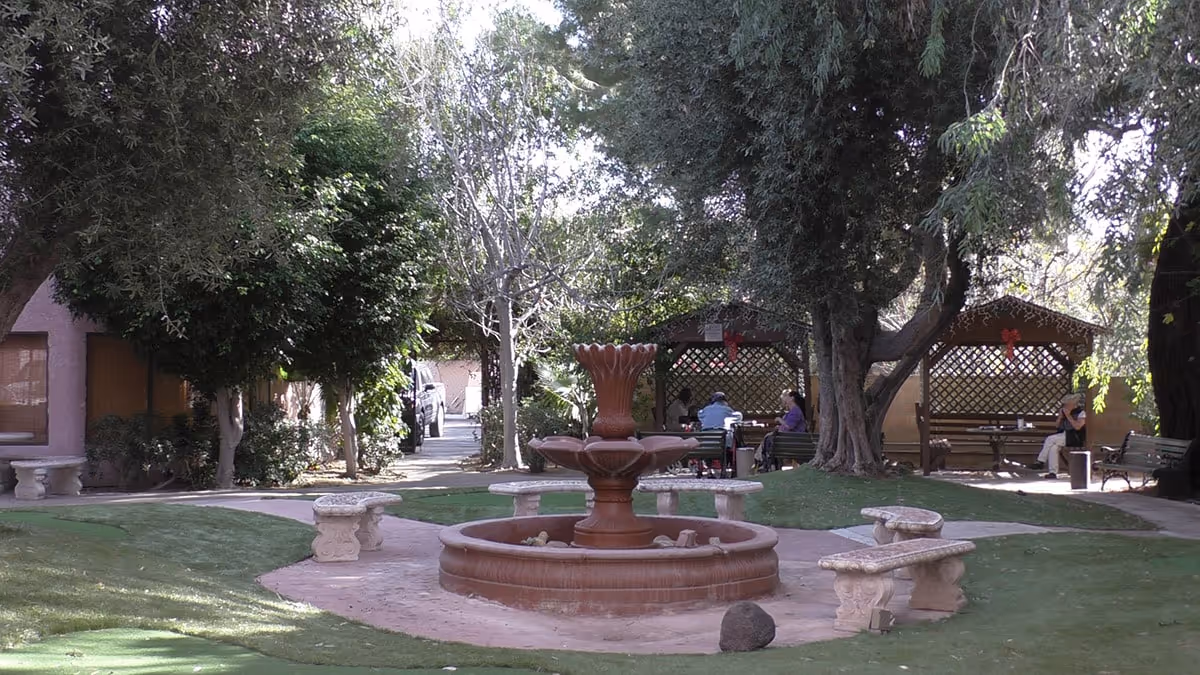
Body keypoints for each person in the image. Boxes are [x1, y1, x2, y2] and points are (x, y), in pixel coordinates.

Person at [1029, 393, 1086, 479]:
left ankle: (1040, 461)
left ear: (1073, 404)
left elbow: (1078, 427)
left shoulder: (1081, 413)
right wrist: (1060, 417)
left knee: (1050, 439)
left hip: (1075, 437)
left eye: (1067, 403)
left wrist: (1068, 415)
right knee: (1053, 447)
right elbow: (1057, 426)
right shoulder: (1063, 411)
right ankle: (1053, 472)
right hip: (1063, 435)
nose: (1065, 405)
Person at [756, 391, 806, 471]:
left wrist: (780, 420)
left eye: (787, 396)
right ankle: (762, 460)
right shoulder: (792, 411)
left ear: (792, 398)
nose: (785, 398)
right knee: (768, 438)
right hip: (788, 439)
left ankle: (762, 461)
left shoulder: (795, 411)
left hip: (792, 441)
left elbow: (789, 426)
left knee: (769, 439)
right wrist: (780, 426)